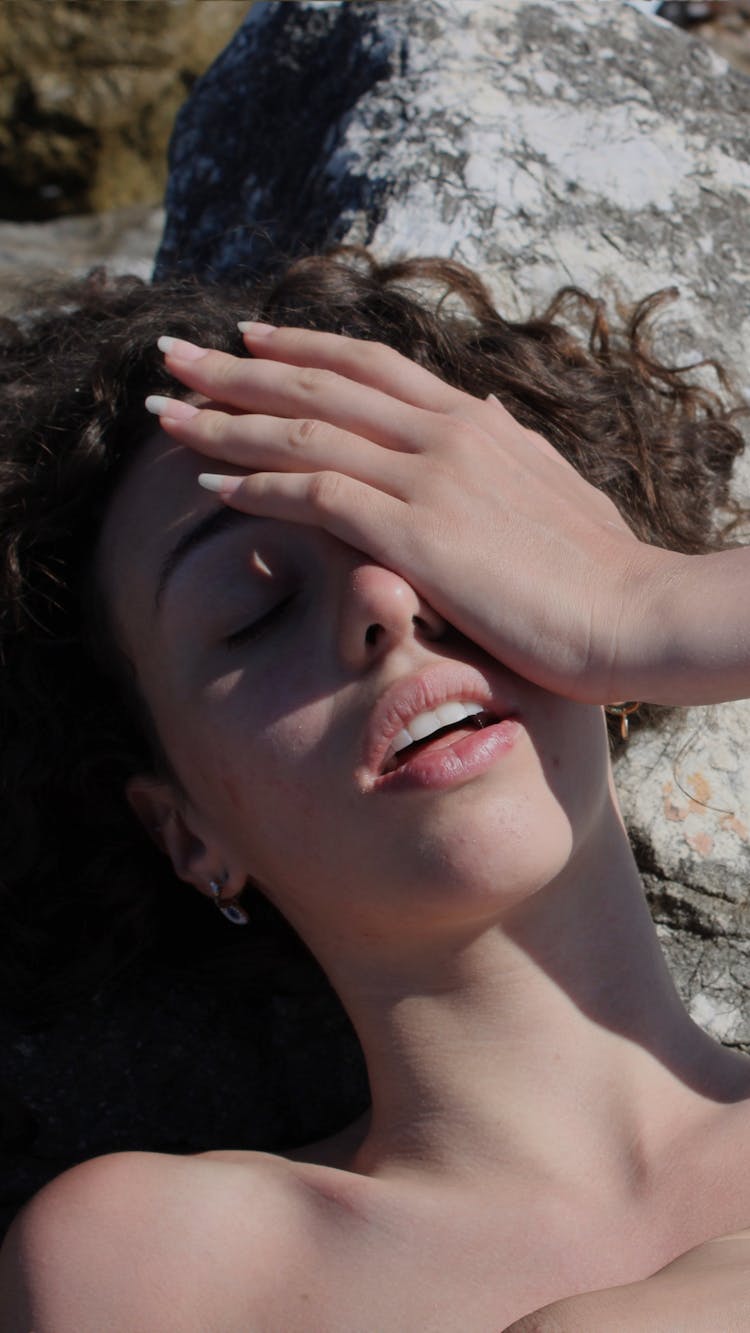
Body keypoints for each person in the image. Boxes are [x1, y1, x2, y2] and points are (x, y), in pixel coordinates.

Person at [0, 247, 749, 1330]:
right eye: (253, 610)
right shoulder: (165, 1268)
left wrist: (643, 602)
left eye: (446, 553)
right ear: (185, 830)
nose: (387, 604)